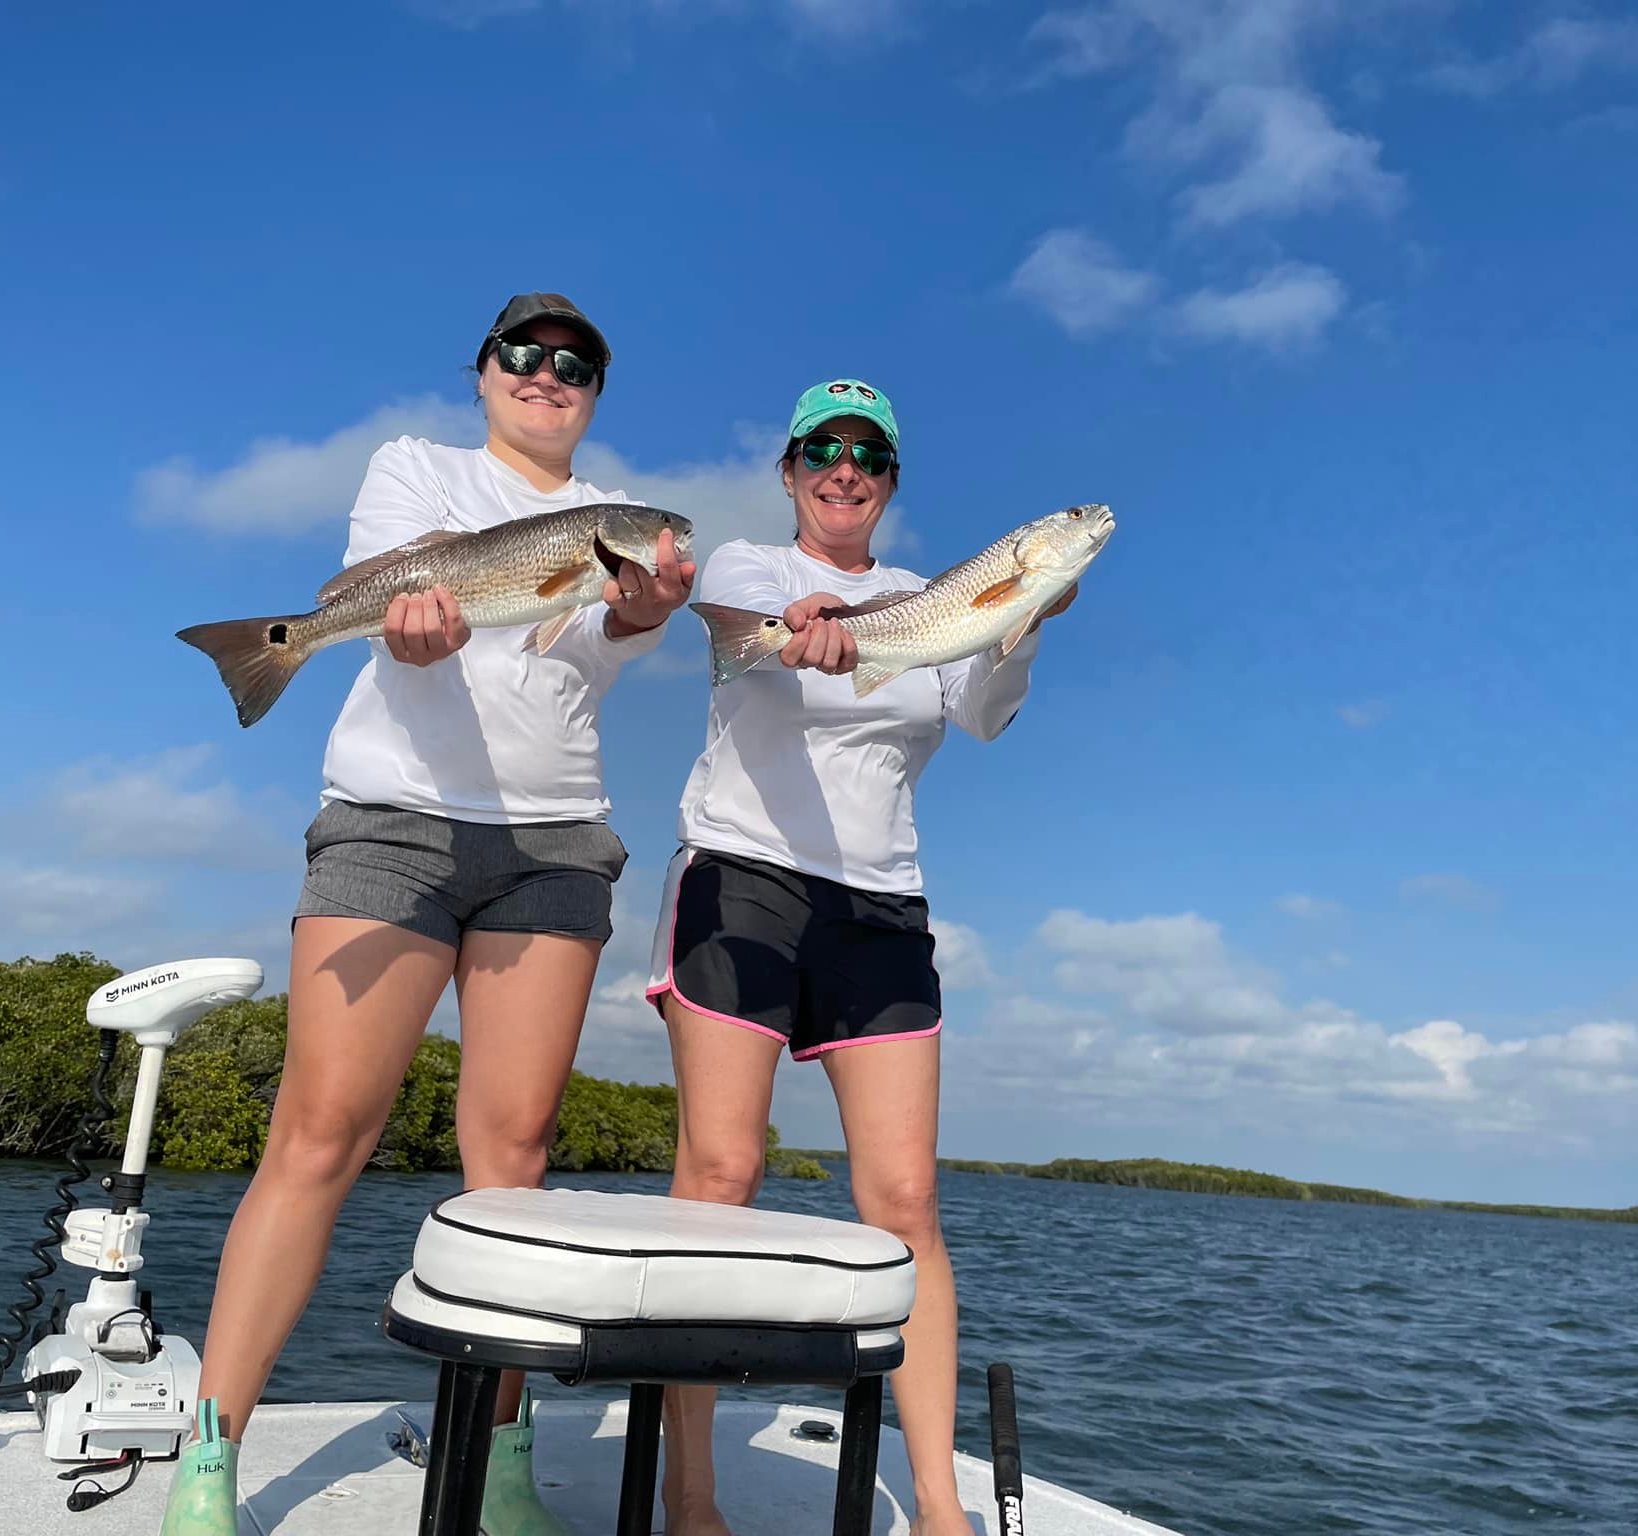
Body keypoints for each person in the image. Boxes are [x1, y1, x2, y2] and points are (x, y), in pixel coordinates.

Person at [160, 292, 694, 1536]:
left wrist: (644, 603)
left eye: (575, 364)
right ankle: (208, 1450)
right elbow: (398, 623)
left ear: (596, 394)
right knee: (320, 1131)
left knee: (512, 1161)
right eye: (524, 354)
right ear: (483, 372)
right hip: (392, 821)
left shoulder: (618, 532)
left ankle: (502, 1449)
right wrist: (398, 632)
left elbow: (599, 639)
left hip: (554, 843)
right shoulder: (418, 468)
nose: (546, 374)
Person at [645, 379, 1074, 1536]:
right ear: (788, 470)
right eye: (823, 450)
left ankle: (938, 1504)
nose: (847, 469)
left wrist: (1020, 617)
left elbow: (983, 712)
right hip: (740, 875)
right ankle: (692, 1497)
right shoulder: (744, 566)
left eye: (869, 455)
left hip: (879, 904)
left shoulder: (929, 600)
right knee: (721, 1174)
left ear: (890, 479)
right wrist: (812, 629)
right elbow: (749, 648)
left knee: (905, 1200)